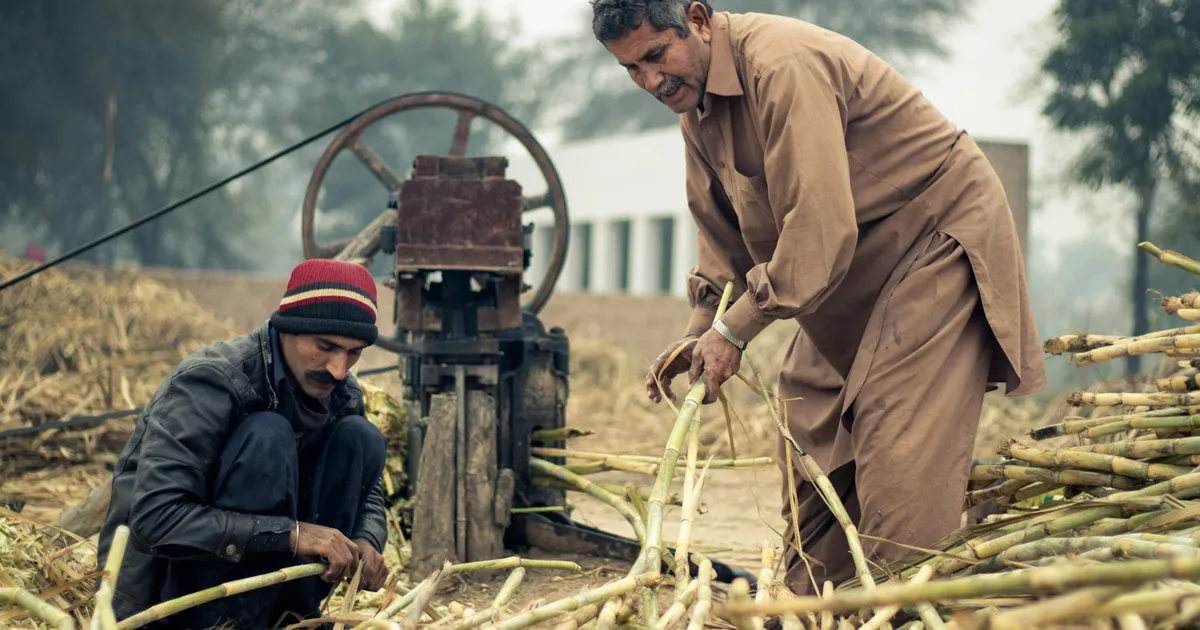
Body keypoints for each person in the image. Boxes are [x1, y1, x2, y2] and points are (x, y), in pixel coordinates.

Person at [590, 0, 1047, 602]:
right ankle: (813, 605)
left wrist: (734, 333)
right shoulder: (694, 104)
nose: (651, 81)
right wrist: (703, 323)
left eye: (656, 55)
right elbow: (721, 232)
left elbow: (821, 230)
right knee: (806, 415)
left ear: (698, 20)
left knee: (896, 441)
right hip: (847, 272)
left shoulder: (781, 66)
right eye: (632, 70)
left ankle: (897, 603)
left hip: (930, 241)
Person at [96, 258, 391, 629]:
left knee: (360, 437)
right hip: (171, 600)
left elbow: (371, 493)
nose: (338, 368)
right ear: (288, 330)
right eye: (326, 346)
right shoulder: (212, 381)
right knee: (268, 436)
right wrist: (293, 535)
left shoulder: (342, 394)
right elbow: (157, 518)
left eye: (354, 352)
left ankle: (293, 618)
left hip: (273, 594)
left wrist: (366, 540)